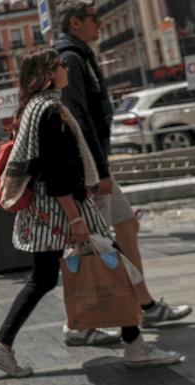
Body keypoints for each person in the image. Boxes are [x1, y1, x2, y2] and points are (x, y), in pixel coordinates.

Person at [0, 48, 182, 378]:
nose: (66, 70)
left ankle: (1, 346)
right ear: (48, 74)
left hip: (44, 212)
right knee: (120, 267)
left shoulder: (33, 107)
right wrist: (75, 218)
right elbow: (56, 171)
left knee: (42, 279)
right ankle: (135, 346)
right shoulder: (50, 111)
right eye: (60, 66)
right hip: (63, 210)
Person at [54, 0, 192, 346]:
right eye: (92, 18)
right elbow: (78, 118)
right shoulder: (70, 58)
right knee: (90, 245)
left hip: (97, 165)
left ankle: (144, 306)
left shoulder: (78, 54)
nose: (99, 23)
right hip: (90, 169)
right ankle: (80, 323)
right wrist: (98, 170)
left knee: (127, 225)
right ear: (75, 23)